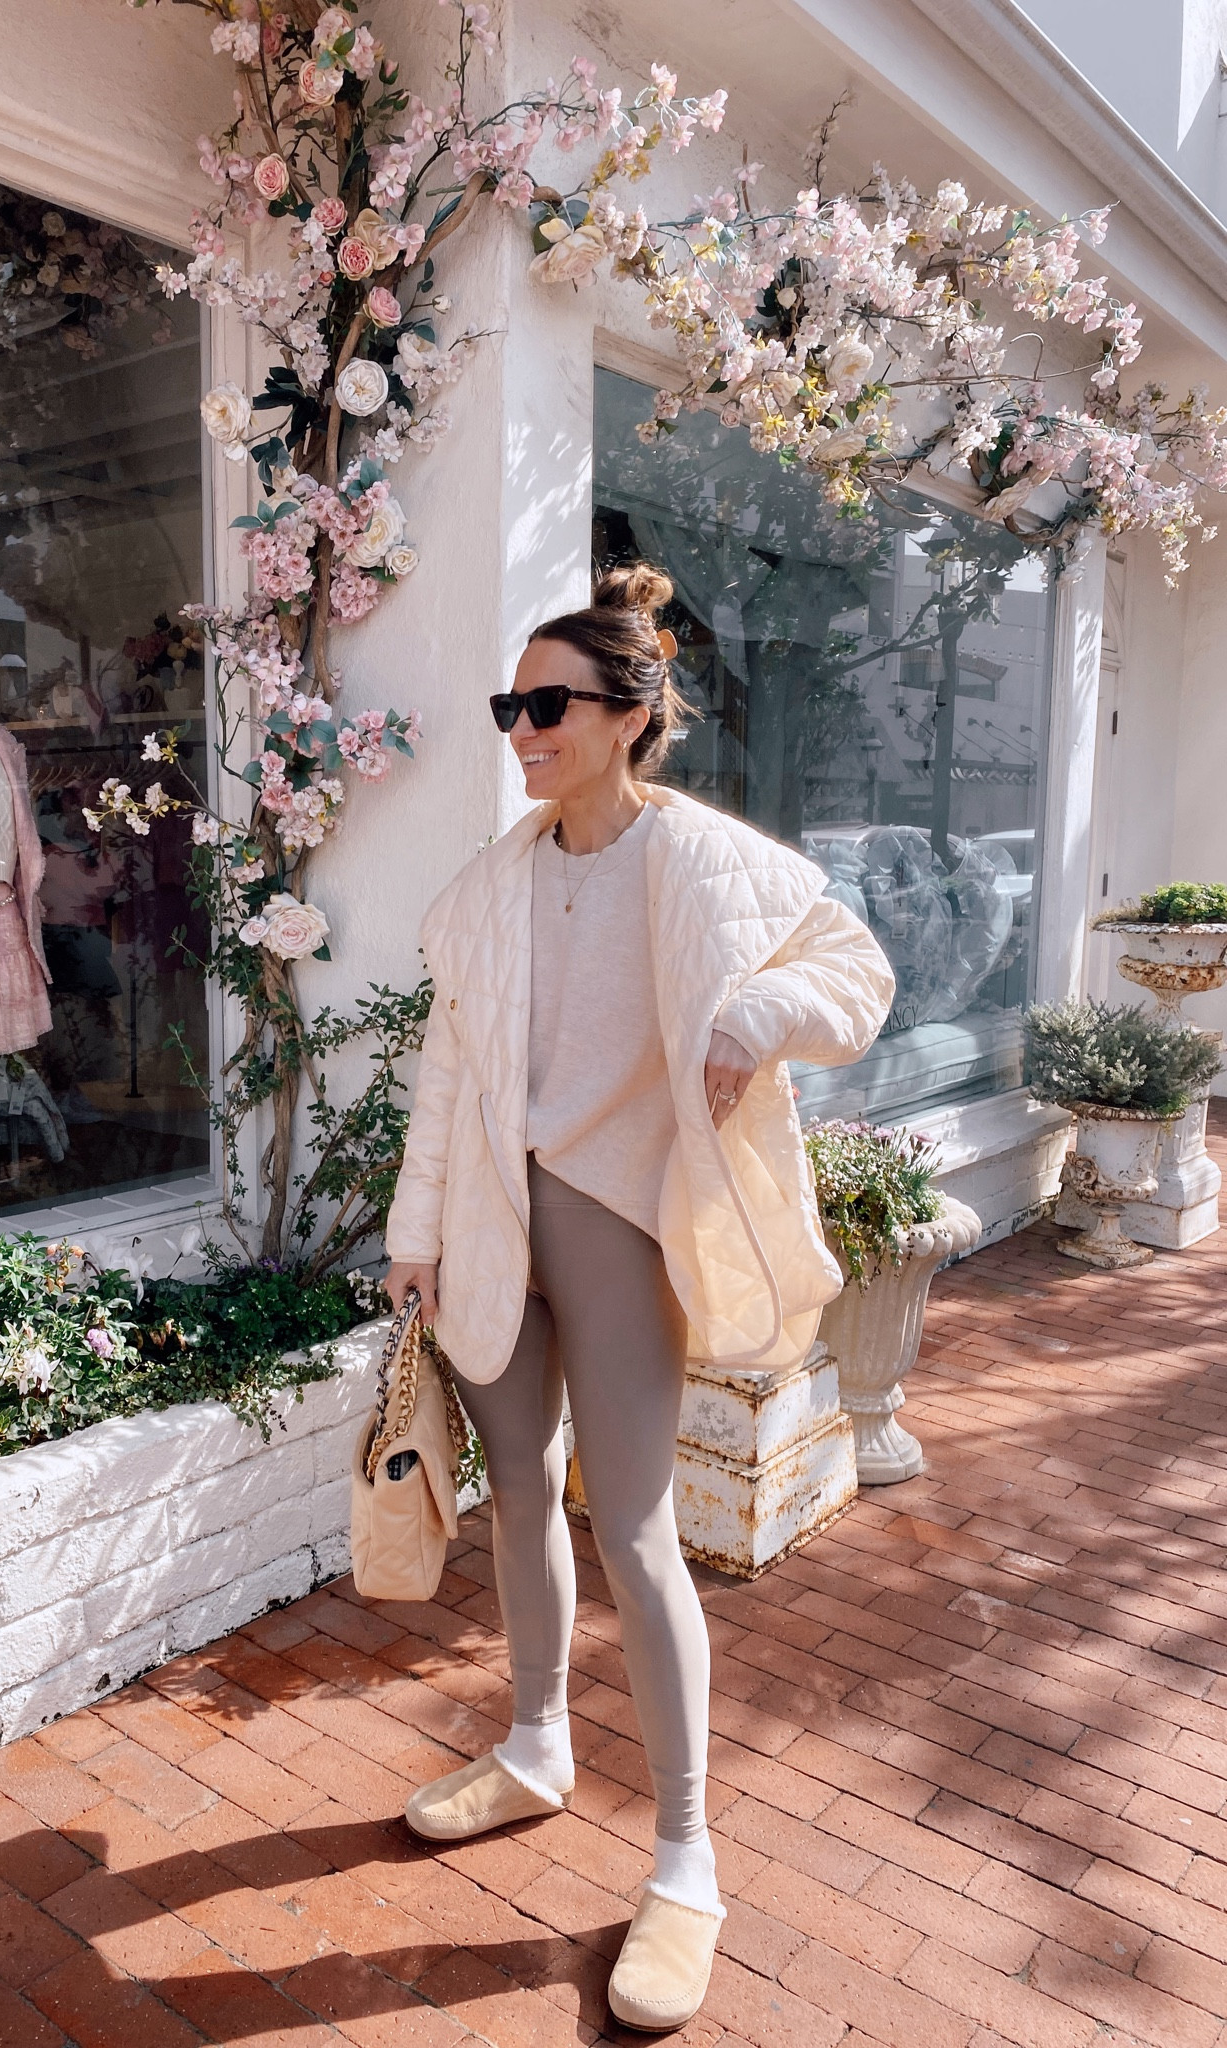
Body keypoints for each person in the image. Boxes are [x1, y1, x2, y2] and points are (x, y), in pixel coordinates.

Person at [383, 565, 895, 2032]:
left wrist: (753, 1011)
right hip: (494, 1226)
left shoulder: (709, 863)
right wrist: (415, 1234)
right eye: (511, 707)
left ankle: (687, 1861)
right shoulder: (494, 882)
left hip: (622, 1230)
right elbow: (451, 1072)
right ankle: (535, 1745)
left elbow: (857, 979)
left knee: (643, 1536)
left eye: (546, 706)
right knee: (521, 1500)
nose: (522, 732)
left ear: (629, 715)